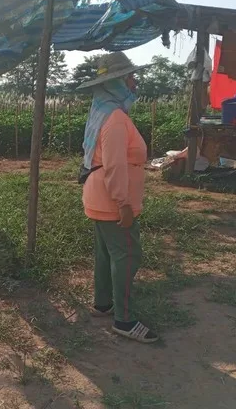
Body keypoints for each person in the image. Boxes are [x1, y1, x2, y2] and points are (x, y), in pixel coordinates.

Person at [77, 52, 158, 344]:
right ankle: (124, 320)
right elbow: (114, 165)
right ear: (117, 83)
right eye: (130, 77)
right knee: (127, 255)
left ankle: (103, 304)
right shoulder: (114, 118)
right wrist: (123, 203)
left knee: (106, 253)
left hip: (101, 197)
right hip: (112, 200)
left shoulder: (105, 112)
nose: (134, 82)